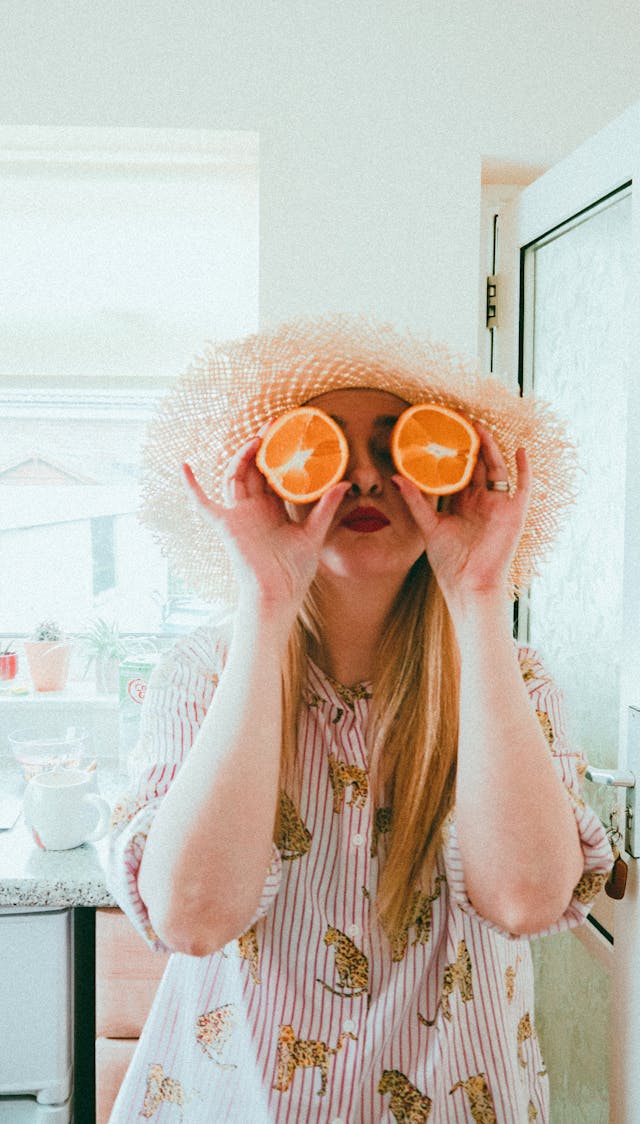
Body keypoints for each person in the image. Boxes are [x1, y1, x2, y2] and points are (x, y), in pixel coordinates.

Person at [106, 316, 613, 1123]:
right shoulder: (201, 675)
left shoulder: (512, 676)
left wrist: (480, 593)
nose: (366, 481)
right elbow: (192, 918)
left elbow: (524, 899)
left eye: (397, 446)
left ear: (450, 471)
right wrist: (266, 601)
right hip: (236, 1098)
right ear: (273, 474)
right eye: (327, 450)